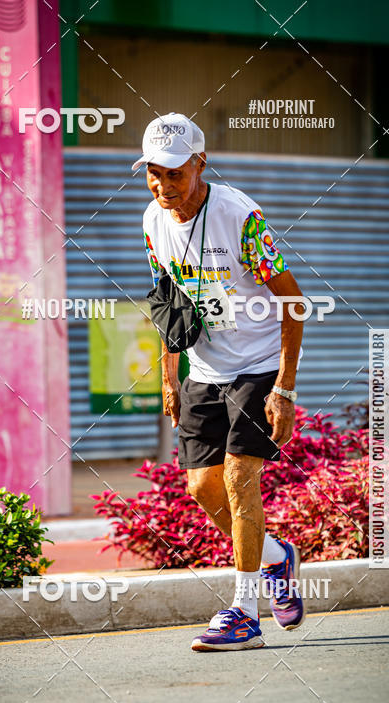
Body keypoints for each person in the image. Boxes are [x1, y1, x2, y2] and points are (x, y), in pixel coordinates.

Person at [134, 112, 306, 652]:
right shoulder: (152, 222)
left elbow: (294, 302)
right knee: (202, 488)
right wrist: (168, 378)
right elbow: (170, 303)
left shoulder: (240, 217)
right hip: (204, 370)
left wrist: (285, 387)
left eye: (174, 173)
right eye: (152, 174)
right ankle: (278, 558)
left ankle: (244, 612)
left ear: (199, 163)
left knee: (238, 479)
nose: (163, 186)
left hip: (257, 366)